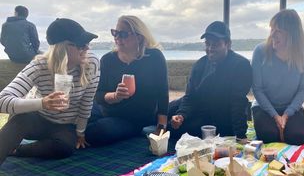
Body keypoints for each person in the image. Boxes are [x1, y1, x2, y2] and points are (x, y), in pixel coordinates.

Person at [0, 18, 100, 166]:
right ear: (62, 47)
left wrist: (80, 132)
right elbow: (2, 101)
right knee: (20, 119)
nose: (87, 48)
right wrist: (42, 103)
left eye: (87, 43)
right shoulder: (39, 65)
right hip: (37, 119)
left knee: (65, 147)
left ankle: (17, 150)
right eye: (81, 44)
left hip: (64, 124)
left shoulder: (92, 63)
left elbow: (87, 102)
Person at [85, 15, 168, 146]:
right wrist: (115, 96)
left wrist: (162, 125)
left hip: (134, 119)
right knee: (79, 111)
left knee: (99, 131)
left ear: (139, 37)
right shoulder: (107, 60)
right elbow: (98, 95)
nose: (117, 37)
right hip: (107, 111)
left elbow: (162, 92)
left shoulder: (154, 57)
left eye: (123, 34)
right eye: (115, 33)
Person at [168, 21, 252, 142]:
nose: (210, 49)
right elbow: (190, 97)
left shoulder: (240, 65)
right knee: (170, 114)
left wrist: (240, 135)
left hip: (221, 117)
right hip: (199, 108)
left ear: (228, 44)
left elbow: (238, 102)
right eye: (208, 44)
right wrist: (181, 115)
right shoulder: (200, 64)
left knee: (178, 131)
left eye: (216, 44)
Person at [251, 9, 304, 145]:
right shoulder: (260, 51)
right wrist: (275, 116)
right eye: (272, 29)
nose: (272, 35)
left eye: (278, 31)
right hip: (264, 107)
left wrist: (287, 114)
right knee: (269, 136)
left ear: (293, 34)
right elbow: (257, 89)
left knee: (298, 137)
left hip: (292, 107)